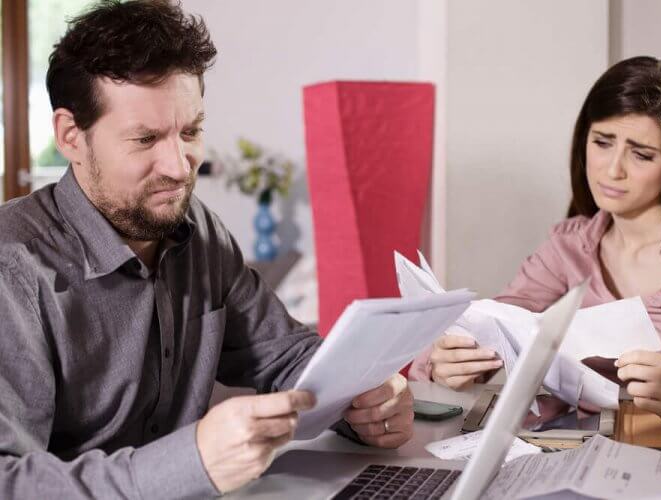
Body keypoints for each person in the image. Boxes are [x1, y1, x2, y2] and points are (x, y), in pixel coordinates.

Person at [0, 1, 414, 498]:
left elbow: (282, 356)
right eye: (146, 138)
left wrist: (361, 399)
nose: (179, 166)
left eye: (191, 131)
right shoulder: (12, 267)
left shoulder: (198, 230)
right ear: (71, 136)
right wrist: (192, 461)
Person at [411, 56, 661, 426]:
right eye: (602, 142)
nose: (613, 169)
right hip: (596, 456)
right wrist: (448, 360)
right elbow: (495, 321)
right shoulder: (568, 245)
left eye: (641, 154)